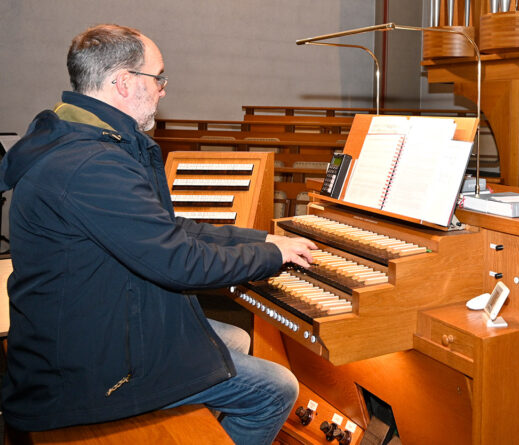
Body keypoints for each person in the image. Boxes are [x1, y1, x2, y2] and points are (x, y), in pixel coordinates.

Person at [0, 24, 318, 444]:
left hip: (87, 328)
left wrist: (259, 241)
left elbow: (165, 229)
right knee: (275, 388)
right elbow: (178, 263)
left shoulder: (81, 139)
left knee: (235, 337)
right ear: (124, 82)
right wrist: (272, 259)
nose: (164, 89)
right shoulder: (91, 165)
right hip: (81, 371)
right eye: (159, 77)